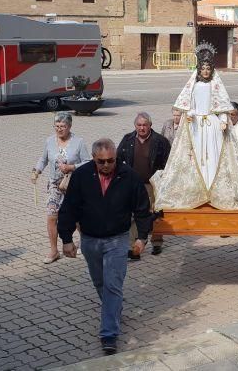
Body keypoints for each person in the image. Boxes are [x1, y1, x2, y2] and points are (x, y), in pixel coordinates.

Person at [58, 138, 153, 355]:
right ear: (93, 159)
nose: (107, 165)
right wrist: (66, 239)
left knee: (112, 285)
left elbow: (142, 208)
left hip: (117, 240)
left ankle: (108, 333)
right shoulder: (82, 176)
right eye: (101, 162)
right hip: (90, 240)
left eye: (111, 160)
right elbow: (69, 208)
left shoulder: (128, 176)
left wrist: (142, 237)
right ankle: (114, 308)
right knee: (100, 282)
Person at [151, 47, 238, 211]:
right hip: (196, 125)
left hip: (213, 125)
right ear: (199, 70)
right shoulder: (194, 85)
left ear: (211, 69)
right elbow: (189, 105)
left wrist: (222, 119)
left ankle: (213, 190)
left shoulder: (216, 84)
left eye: (208, 68)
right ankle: (199, 190)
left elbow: (222, 106)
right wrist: (191, 114)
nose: (206, 71)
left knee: (213, 156)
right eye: (203, 69)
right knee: (198, 156)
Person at [32, 112, 91, 264]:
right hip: (54, 184)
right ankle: (53, 250)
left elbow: (88, 162)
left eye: (63, 126)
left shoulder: (78, 142)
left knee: (77, 217)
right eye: (57, 126)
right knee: (51, 216)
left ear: (69, 126)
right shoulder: (50, 141)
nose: (59, 129)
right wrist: (36, 171)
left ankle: (84, 244)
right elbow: (43, 158)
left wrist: (72, 166)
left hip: (73, 184)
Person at [117, 112, 170, 258]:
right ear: (135, 126)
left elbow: (168, 164)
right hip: (133, 185)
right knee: (134, 214)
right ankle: (134, 246)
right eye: (139, 125)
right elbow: (118, 159)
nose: (142, 128)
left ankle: (157, 242)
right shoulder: (127, 139)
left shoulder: (161, 141)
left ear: (150, 125)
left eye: (144, 125)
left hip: (152, 184)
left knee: (154, 213)